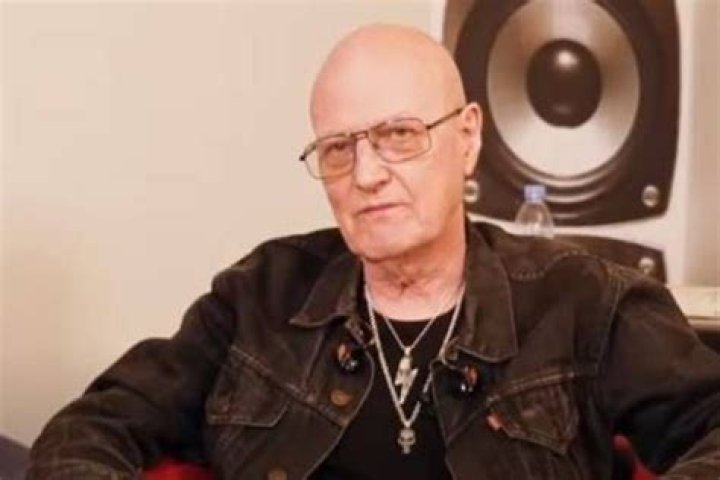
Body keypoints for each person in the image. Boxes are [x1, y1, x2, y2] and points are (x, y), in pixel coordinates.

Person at [29, 24, 720, 479]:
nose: (366, 174)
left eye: (399, 135)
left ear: (467, 138)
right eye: (338, 148)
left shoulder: (584, 302)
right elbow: (89, 429)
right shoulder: (259, 296)